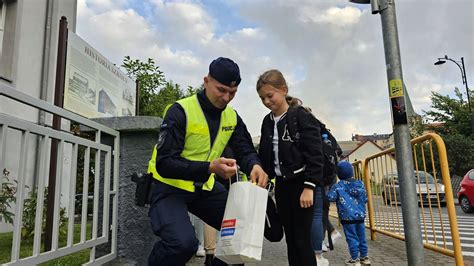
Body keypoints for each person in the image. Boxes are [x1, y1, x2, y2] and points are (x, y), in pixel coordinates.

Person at [147, 57, 268, 266]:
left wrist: (255, 166)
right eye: (221, 90)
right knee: (183, 244)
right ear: (206, 81)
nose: (226, 97)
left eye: (232, 93)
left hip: (203, 188)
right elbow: (164, 164)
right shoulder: (180, 111)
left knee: (241, 235)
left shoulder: (232, 117)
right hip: (168, 187)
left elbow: (245, 149)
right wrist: (210, 167)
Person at [256, 69, 324, 266]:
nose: (267, 102)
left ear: (283, 90)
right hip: (282, 187)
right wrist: (261, 174)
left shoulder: (300, 116)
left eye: (270, 96)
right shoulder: (267, 122)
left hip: (302, 186)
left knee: (302, 241)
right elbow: (265, 154)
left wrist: (309, 186)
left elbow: (315, 154)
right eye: (262, 98)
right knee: (291, 240)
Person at [327, 161, 370, 266]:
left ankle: (355, 259)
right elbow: (365, 199)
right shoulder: (360, 184)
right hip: (360, 216)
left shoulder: (338, 186)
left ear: (339, 174)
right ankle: (364, 257)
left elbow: (330, 197)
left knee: (352, 238)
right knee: (362, 237)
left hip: (347, 218)